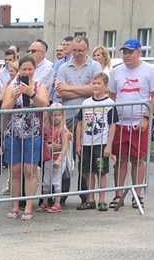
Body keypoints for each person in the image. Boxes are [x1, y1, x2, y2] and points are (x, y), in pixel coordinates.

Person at [107, 38, 154, 211]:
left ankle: (137, 194)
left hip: (139, 122)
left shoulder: (149, 70)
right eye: (124, 52)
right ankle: (118, 193)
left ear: (139, 52)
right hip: (121, 122)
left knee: (138, 159)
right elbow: (112, 95)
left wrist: (146, 118)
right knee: (121, 159)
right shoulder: (116, 71)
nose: (126, 56)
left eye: (130, 52)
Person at [53, 36, 102, 206]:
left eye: (80, 51)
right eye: (74, 50)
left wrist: (71, 88)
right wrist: (84, 91)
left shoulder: (95, 66)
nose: (77, 54)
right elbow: (60, 93)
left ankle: (85, 194)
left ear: (87, 49)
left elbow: (95, 89)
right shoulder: (64, 67)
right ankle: (62, 194)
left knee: (85, 154)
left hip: (89, 116)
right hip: (68, 116)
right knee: (66, 154)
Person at [1, 56, 47, 219]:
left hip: (32, 132)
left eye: (30, 69)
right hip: (13, 132)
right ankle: (15, 205)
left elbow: (44, 105)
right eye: (24, 69)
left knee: (30, 171)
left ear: (34, 70)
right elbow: (4, 110)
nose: (26, 72)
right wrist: (14, 97)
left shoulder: (40, 86)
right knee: (15, 171)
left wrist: (31, 93)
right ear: (19, 70)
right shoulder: (11, 86)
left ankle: (28, 206)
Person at [77, 72, 115, 210]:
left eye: (99, 83)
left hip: (101, 143)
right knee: (88, 172)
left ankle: (102, 199)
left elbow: (112, 125)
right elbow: (80, 124)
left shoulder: (109, 103)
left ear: (105, 86)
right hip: (87, 143)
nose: (95, 86)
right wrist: (78, 144)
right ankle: (90, 199)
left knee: (101, 171)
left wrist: (108, 146)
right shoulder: (85, 102)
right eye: (93, 83)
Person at [40, 104, 72, 212]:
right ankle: (45, 202)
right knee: (46, 180)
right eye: (54, 115)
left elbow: (64, 146)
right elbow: (43, 141)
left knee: (56, 180)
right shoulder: (47, 127)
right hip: (48, 157)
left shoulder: (63, 129)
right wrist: (49, 146)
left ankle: (57, 203)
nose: (56, 117)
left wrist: (59, 159)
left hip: (59, 157)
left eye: (59, 115)